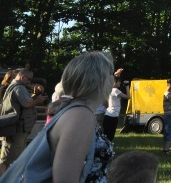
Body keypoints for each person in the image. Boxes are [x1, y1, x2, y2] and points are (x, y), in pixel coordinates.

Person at [3, 52, 116, 181]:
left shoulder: (77, 111)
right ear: (101, 79)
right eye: (111, 74)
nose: (114, 79)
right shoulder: (80, 116)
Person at [0, 68, 50, 175]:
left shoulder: (17, 86)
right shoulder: (19, 87)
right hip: (15, 131)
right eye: (29, 79)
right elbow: (27, 104)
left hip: (16, 130)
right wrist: (38, 100)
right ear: (22, 77)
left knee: (10, 159)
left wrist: (35, 95)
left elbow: (25, 103)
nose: (30, 81)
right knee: (5, 161)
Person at [103, 77, 130, 142]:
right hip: (113, 116)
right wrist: (127, 86)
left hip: (107, 115)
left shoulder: (109, 90)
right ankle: (108, 150)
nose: (120, 82)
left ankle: (105, 149)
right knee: (110, 136)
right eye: (119, 81)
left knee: (106, 135)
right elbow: (128, 97)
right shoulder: (115, 90)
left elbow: (105, 101)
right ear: (115, 82)